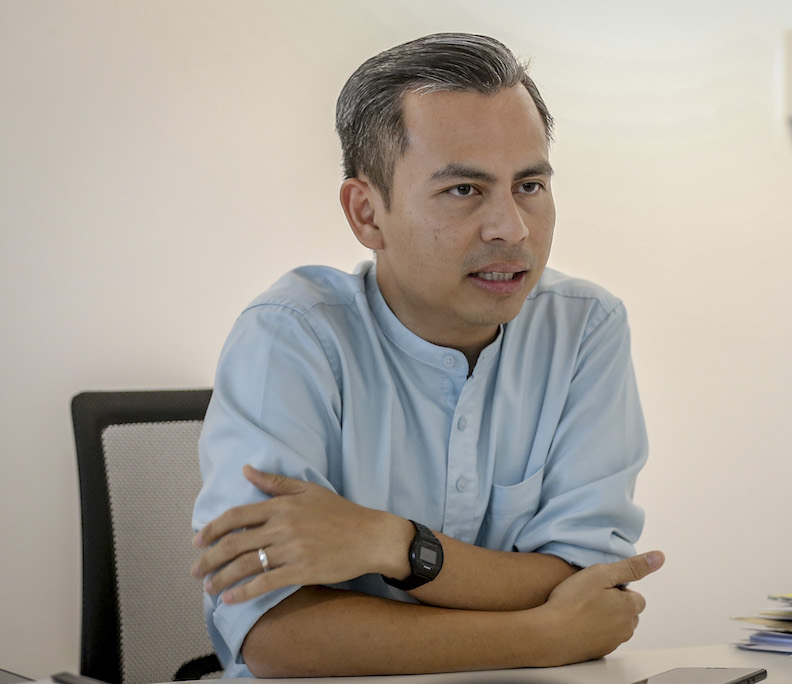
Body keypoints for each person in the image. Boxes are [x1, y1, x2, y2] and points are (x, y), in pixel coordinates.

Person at [190, 32, 663, 678]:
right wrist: (546, 634)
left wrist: (392, 543)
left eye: (529, 185)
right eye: (464, 191)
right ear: (367, 214)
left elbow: (589, 583)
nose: (511, 228)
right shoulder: (290, 336)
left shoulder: (586, 328)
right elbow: (277, 638)